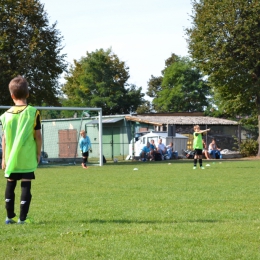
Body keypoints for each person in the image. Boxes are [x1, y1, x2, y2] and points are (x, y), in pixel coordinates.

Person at [1, 76, 42, 224]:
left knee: (10, 184)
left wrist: (4, 158)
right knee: (26, 184)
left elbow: (4, 138)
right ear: (27, 94)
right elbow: (38, 136)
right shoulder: (33, 112)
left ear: (12, 95)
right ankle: (22, 219)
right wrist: (38, 153)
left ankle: (9, 217)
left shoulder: (5, 116)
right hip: (27, 157)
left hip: (11, 158)